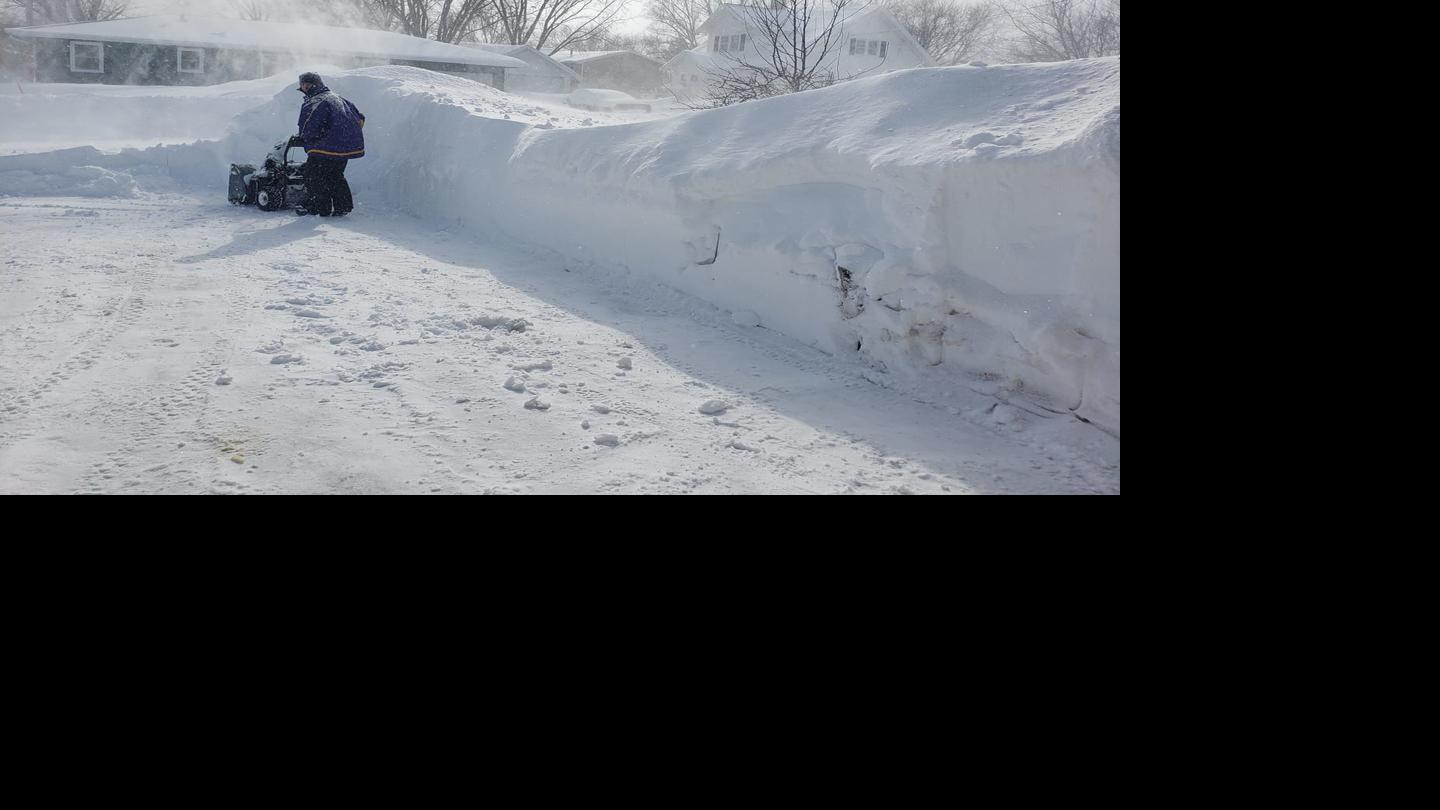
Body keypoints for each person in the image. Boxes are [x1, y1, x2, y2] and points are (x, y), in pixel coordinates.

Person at [291, 72, 365, 216]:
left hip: (325, 147)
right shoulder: (339, 99)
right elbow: (360, 119)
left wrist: (304, 138)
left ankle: (319, 208)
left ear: (313, 85)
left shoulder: (315, 101)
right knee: (335, 175)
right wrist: (342, 136)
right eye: (302, 85)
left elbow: (308, 126)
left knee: (313, 176)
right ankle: (343, 207)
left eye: (305, 85)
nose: (304, 88)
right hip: (346, 148)